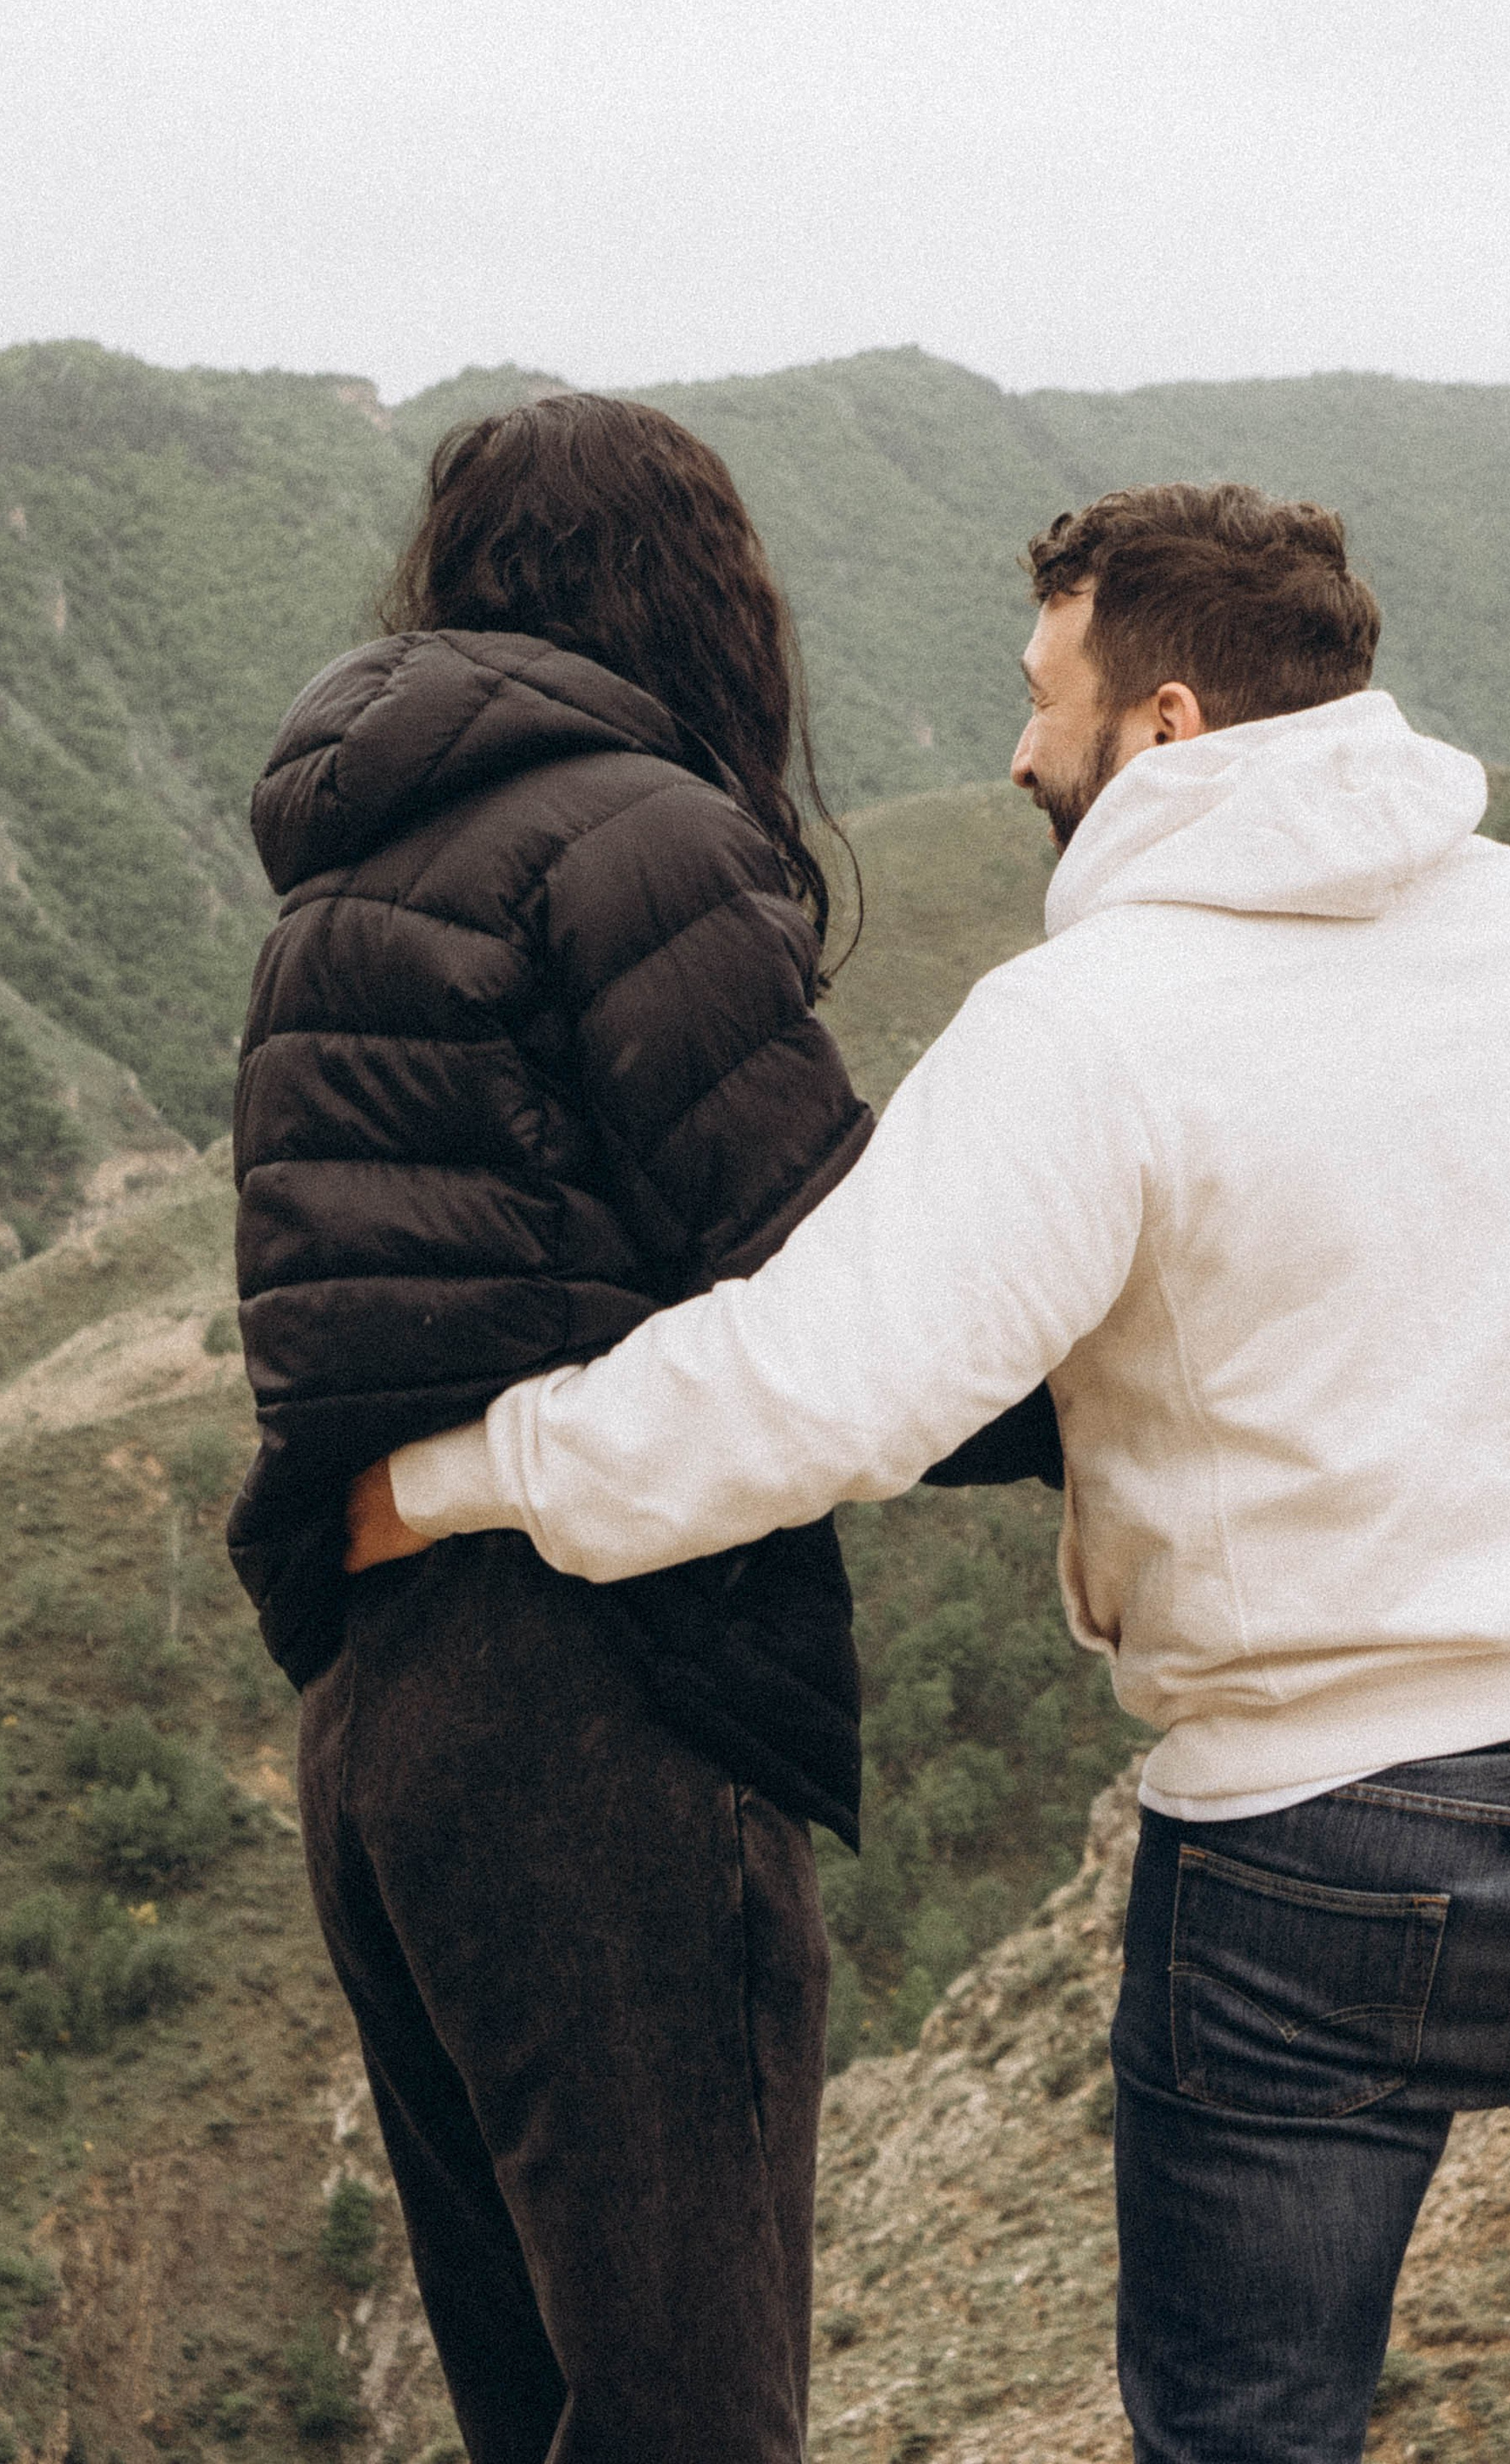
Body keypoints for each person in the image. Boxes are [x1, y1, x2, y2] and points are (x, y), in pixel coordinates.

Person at [350, 479, 1510, 2464]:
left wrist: (453, 1472)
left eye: (1044, 700)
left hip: (1312, 1846)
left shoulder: (1088, 1026)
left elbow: (813, 1392)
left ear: (1165, 723)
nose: (1018, 752)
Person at [229, 392, 1050, 2464]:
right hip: (596, 1699)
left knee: (536, 2404)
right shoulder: (639, 839)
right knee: (688, 2412)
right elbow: (836, 1285)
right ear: (700, 588)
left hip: (378, 1707)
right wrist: (1132, 1385)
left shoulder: (339, 883)